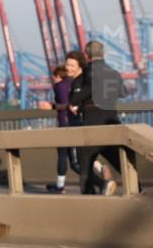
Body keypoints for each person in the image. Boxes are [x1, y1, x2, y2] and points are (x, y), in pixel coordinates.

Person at [70, 40, 128, 195]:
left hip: (92, 125)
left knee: (85, 167)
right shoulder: (113, 72)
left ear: (86, 54)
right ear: (103, 54)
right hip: (112, 123)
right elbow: (123, 93)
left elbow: (77, 97)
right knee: (120, 164)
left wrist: (76, 102)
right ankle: (139, 191)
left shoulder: (87, 73)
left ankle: (90, 201)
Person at [40, 63, 82, 193]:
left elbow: (64, 104)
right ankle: (59, 185)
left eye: (54, 77)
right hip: (74, 122)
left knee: (68, 158)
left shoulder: (60, 86)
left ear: (59, 76)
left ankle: (101, 179)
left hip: (65, 123)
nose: (53, 79)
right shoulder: (74, 83)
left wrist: (52, 105)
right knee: (72, 156)